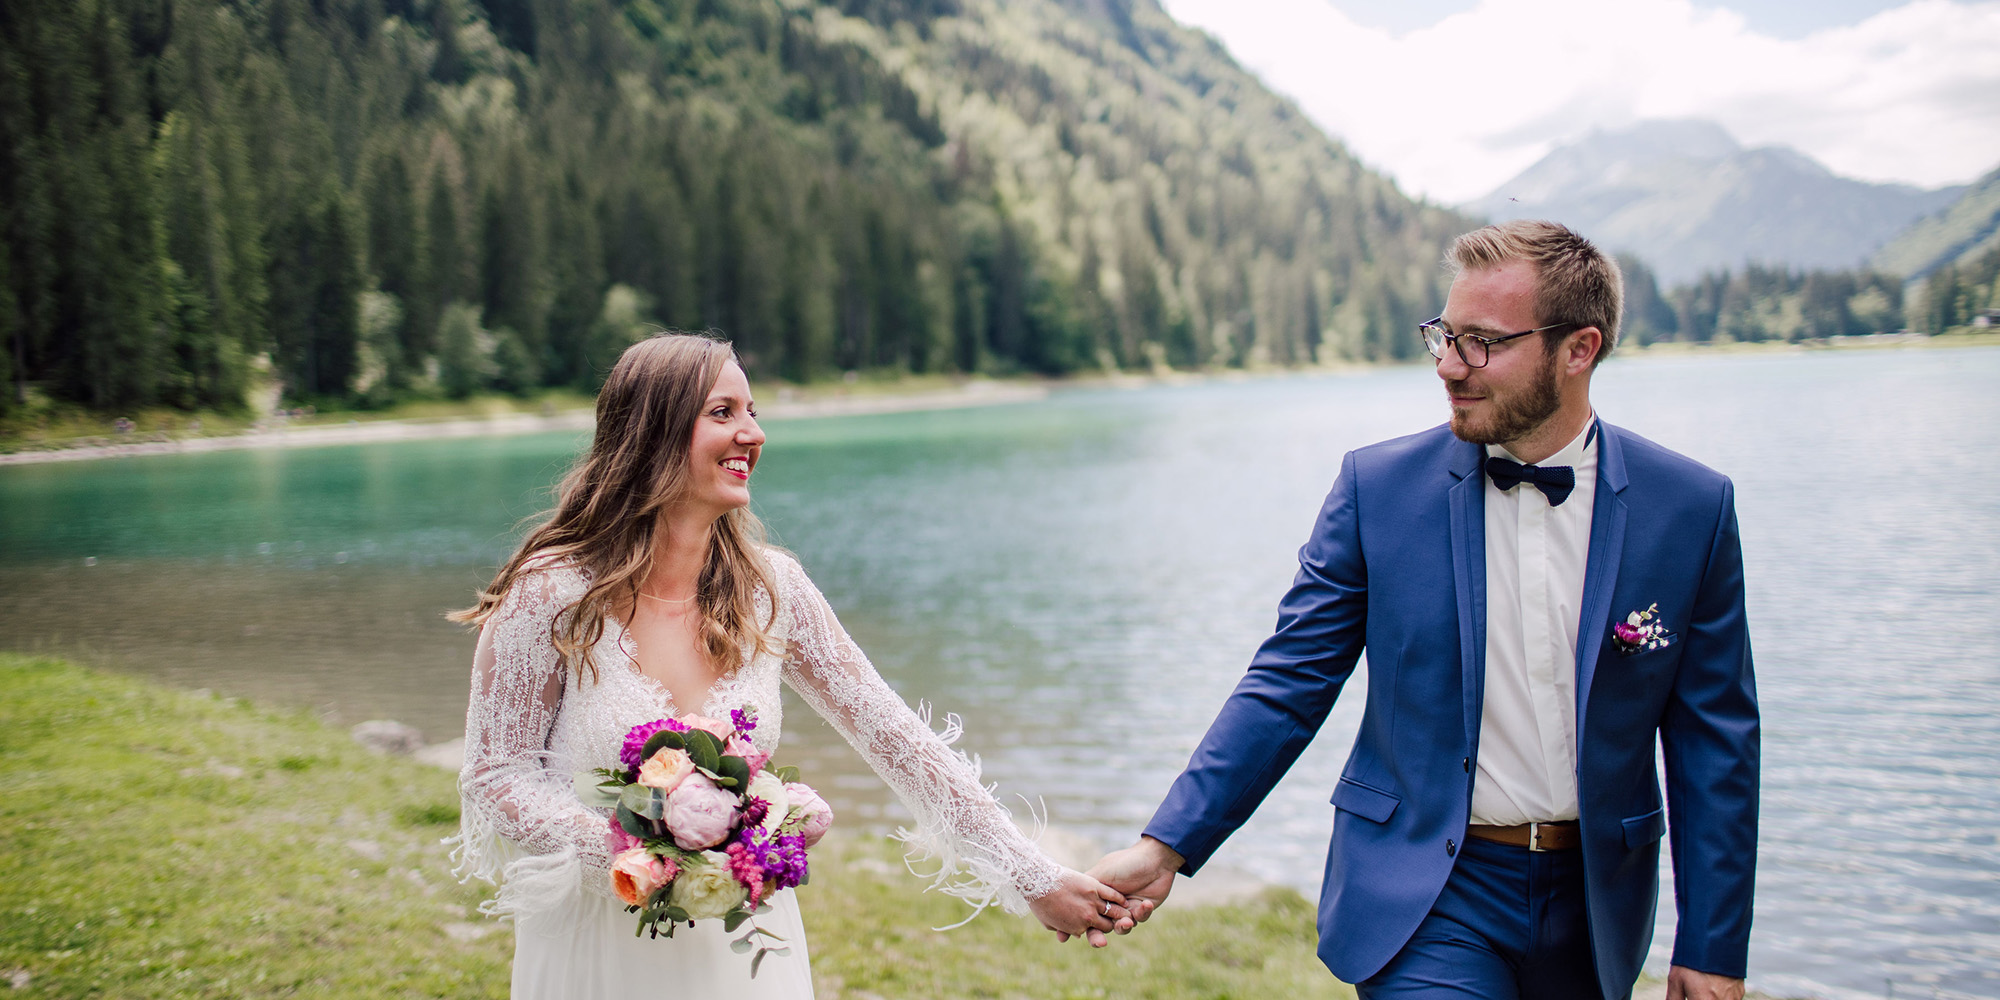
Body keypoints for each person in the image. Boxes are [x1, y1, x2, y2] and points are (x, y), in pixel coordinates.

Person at [1088, 221, 1759, 1000]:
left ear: (1579, 350)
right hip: (1430, 894)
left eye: (1481, 342)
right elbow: (1288, 682)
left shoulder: (1691, 509)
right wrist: (1167, 843)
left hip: (1598, 907)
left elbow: (1716, 744)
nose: (1447, 365)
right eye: (1443, 335)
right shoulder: (1377, 492)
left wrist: (1713, 946)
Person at [449, 333, 1128, 999]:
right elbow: (497, 771)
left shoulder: (774, 591)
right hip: (598, 940)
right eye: (723, 413)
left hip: (746, 949)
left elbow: (897, 739)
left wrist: (1030, 874)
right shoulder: (552, 592)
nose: (753, 434)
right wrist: (643, 848)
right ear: (650, 433)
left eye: (753, 412)